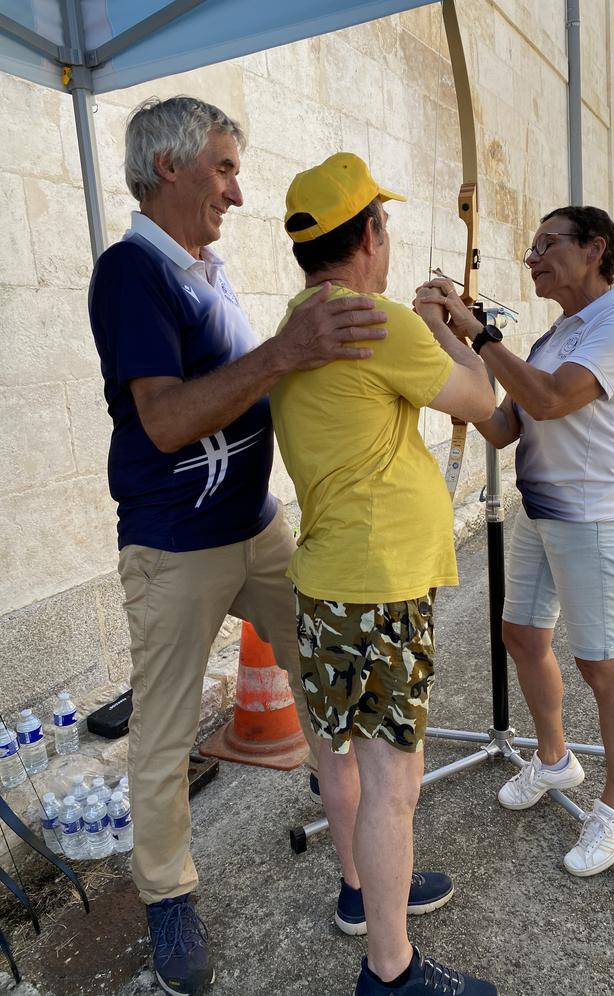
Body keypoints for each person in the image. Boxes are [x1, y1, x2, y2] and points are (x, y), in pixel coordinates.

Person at [88, 97, 390, 996]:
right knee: (166, 733)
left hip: (257, 528)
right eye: (223, 168)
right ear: (170, 166)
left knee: (329, 678)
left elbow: (244, 384)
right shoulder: (129, 272)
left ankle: (364, 862)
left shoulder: (206, 268)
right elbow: (170, 418)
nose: (238, 191)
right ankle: (169, 896)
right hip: (175, 545)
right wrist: (284, 354)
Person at [270, 152, 497, 996]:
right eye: (385, 224)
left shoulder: (301, 322)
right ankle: (390, 973)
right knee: (394, 785)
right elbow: (483, 403)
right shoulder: (374, 322)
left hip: (332, 583)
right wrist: (451, 325)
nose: (388, 237)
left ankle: (366, 897)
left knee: (353, 763)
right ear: (368, 234)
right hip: (378, 589)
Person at [417, 206, 614, 877]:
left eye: (546, 244)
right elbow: (500, 426)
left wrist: (482, 333)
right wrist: (445, 341)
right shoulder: (554, 337)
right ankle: (554, 759)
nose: (531, 257)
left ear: (594, 248)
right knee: (520, 636)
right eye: (531, 246)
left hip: (592, 519)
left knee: (603, 667)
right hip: (541, 514)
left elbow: (550, 401)